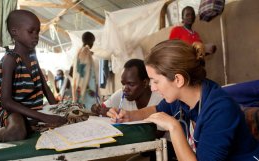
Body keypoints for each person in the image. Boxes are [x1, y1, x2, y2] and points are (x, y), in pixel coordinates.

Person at [107, 40, 259, 161]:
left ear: (178, 79)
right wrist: (129, 116)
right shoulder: (181, 97)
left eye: (155, 81)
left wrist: (174, 127)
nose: (152, 88)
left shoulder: (220, 110)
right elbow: (156, 110)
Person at [0, 10, 67, 142]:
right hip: (11, 110)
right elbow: (6, 101)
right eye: (31, 31)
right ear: (15, 32)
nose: (36, 36)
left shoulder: (33, 56)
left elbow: (44, 86)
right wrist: (44, 117)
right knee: (16, 133)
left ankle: (31, 124)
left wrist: (56, 110)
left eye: (37, 32)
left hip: (32, 109)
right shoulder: (10, 60)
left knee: (64, 122)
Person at [91, 59, 162, 117]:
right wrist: (97, 109)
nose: (125, 89)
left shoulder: (160, 99)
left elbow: (158, 133)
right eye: (123, 84)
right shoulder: (121, 94)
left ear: (145, 83)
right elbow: (102, 107)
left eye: (131, 84)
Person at [72, 31, 97, 110]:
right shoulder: (85, 52)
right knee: (88, 111)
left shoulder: (79, 52)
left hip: (83, 86)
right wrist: (88, 88)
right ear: (91, 41)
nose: (93, 44)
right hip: (86, 88)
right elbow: (83, 73)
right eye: (93, 41)